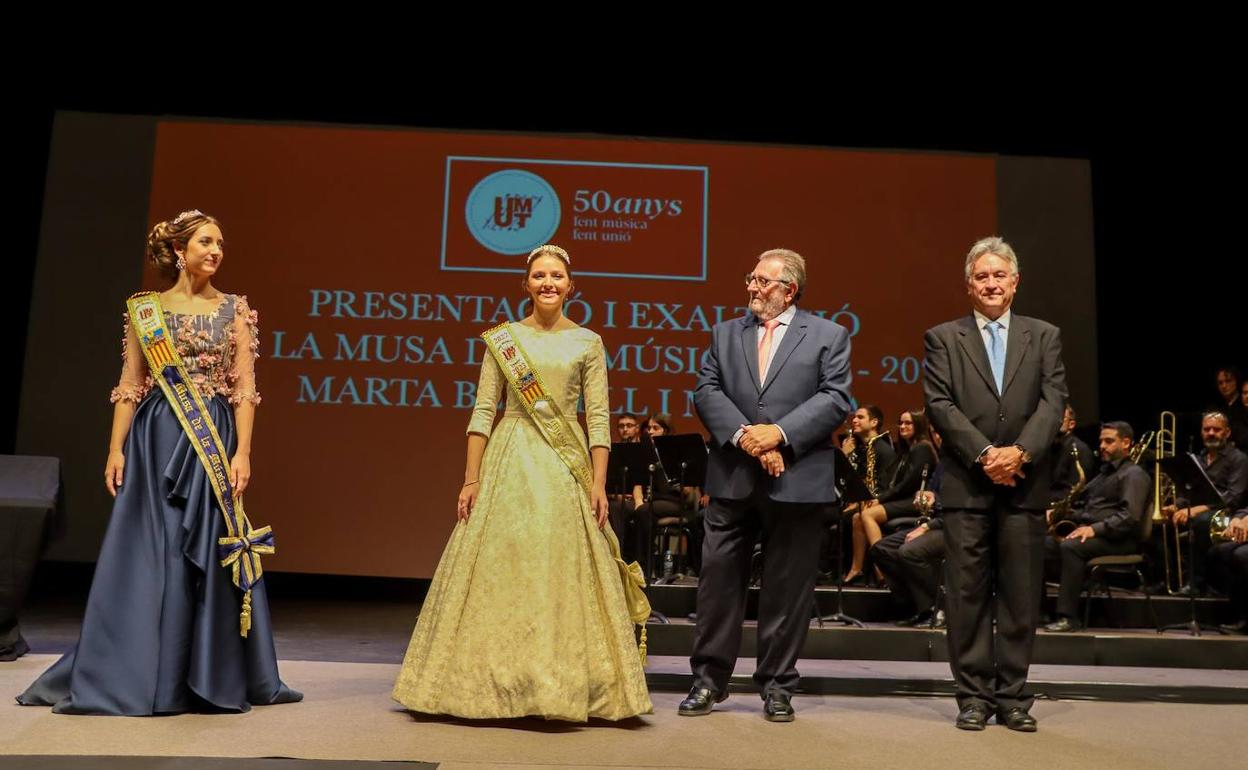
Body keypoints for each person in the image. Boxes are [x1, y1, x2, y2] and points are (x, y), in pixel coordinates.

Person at [18, 210, 301, 715]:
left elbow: (245, 391)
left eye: (220, 243)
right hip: (155, 439)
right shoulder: (145, 311)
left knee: (206, 548)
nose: (216, 250)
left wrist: (243, 452)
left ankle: (205, 675)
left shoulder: (236, 309)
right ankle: (144, 671)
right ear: (179, 250)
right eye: (206, 241)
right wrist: (114, 448)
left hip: (210, 436)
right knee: (157, 550)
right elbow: (130, 385)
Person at [392, 244, 651, 722]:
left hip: (562, 464)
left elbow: (597, 419)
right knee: (503, 564)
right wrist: (471, 480)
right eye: (539, 276)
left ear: (571, 286)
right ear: (526, 284)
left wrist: (598, 483)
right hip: (509, 457)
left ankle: (560, 684)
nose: (548, 283)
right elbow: (482, 411)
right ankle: (490, 683)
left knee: (556, 566)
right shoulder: (504, 340)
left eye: (556, 276)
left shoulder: (588, 342)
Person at [680, 247, 851, 722]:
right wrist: (749, 438)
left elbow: (836, 398)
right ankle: (707, 681)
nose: (750, 287)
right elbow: (706, 391)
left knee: (787, 588)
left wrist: (779, 434)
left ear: (788, 289)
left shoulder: (828, 336)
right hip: (734, 475)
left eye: (761, 280)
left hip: (798, 480)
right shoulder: (724, 333)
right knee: (717, 584)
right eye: (750, 278)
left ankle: (777, 686)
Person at [923, 236, 1067, 732]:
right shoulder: (943, 337)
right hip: (968, 484)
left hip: (1025, 486)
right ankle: (973, 697)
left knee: (1021, 596)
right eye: (981, 277)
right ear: (969, 285)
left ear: (1015, 282)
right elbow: (940, 406)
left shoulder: (1044, 335)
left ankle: (1012, 697)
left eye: (998, 275)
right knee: (966, 596)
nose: (990, 284)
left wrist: (1020, 453)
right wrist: (986, 455)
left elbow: (1053, 403)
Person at [1043, 422, 1150, 632]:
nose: (1102, 446)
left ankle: (1068, 617)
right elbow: (1088, 509)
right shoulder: (1104, 474)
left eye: (1109, 441)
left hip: (1121, 539)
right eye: (1101, 441)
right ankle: (1039, 612)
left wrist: (1094, 529)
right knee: (1038, 544)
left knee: (1071, 547)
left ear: (1126, 443)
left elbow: (1129, 518)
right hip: (1098, 534)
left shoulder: (1134, 474)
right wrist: (1061, 513)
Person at [843, 409, 938, 584]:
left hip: (915, 501)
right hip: (903, 499)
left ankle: (882, 570)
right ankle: (856, 569)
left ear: (918, 425)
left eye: (908, 423)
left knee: (867, 514)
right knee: (857, 517)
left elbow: (908, 485)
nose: (902, 426)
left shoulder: (922, 448)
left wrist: (880, 499)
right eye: (900, 423)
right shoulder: (908, 450)